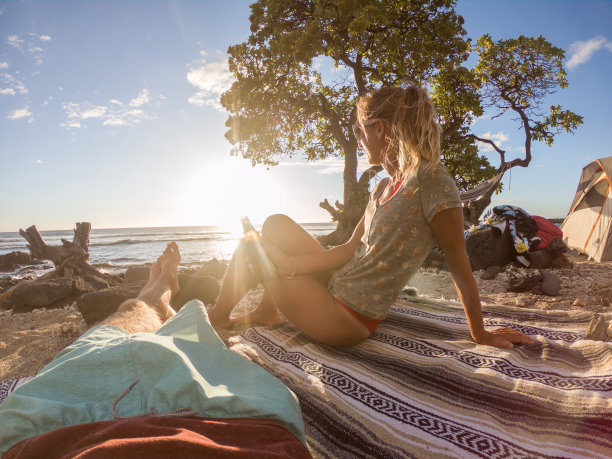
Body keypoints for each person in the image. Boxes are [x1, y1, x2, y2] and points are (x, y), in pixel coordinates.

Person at [210, 84, 535, 349]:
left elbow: (458, 260)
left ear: (379, 128)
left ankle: (217, 319)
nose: (358, 139)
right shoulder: (382, 187)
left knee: (253, 248)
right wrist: (289, 267)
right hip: (337, 284)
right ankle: (266, 313)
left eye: (359, 129)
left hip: (347, 317)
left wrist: (480, 333)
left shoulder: (431, 180)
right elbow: (347, 251)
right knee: (274, 225)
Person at [0, 243, 311, 458]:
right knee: (187, 340)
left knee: (132, 314)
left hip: (50, 422)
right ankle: (162, 295)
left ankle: (158, 293)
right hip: (236, 419)